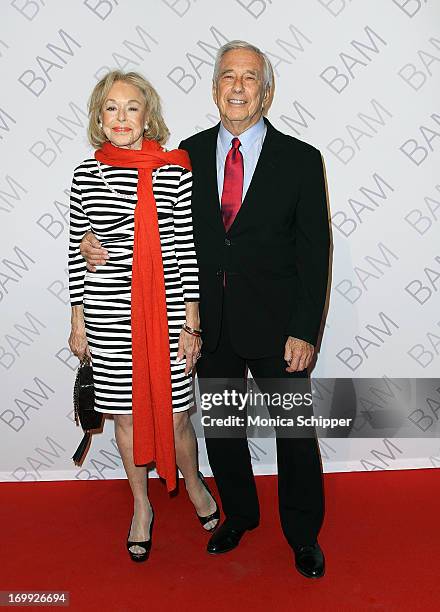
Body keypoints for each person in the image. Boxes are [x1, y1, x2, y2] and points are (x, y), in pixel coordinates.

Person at [80, 41, 330, 578]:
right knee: (222, 428)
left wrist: (304, 329)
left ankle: (303, 534)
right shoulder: (184, 156)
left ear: (265, 91)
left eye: (248, 78)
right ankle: (238, 515)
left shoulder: (302, 161)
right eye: (227, 76)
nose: (237, 87)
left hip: (277, 326)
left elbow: (314, 253)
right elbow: (148, 227)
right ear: (215, 87)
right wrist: (91, 245)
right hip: (204, 325)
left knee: (294, 433)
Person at [68, 70, 219, 563]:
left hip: (168, 310)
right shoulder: (84, 176)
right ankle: (140, 506)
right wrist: (77, 320)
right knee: (127, 421)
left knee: (176, 418)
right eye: (111, 108)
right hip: (108, 315)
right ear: (99, 116)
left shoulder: (174, 169)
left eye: (132, 107)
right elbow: (78, 250)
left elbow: (186, 251)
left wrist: (191, 324)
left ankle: (194, 482)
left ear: (147, 115)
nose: (121, 118)